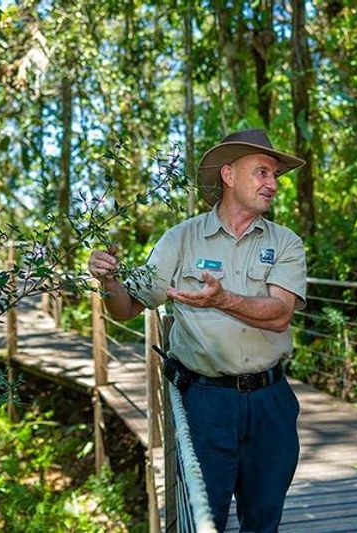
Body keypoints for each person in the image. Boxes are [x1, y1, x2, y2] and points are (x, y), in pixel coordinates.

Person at [88, 129, 307, 532]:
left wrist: (222, 300)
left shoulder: (286, 242)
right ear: (228, 174)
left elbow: (279, 314)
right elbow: (128, 307)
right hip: (206, 402)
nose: (272, 184)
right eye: (262, 172)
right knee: (203, 521)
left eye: (275, 175)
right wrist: (110, 282)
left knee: (264, 522)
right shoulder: (181, 238)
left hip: (270, 403)